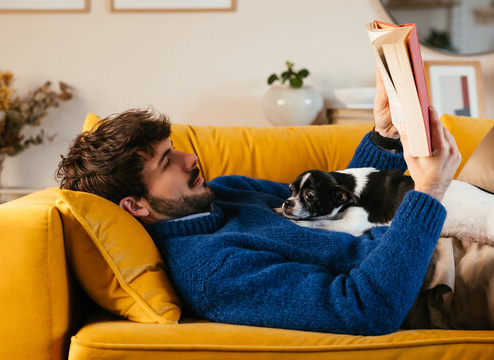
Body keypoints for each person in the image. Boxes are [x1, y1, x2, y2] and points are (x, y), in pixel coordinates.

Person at [56, 70, 464, 336]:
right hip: (441, 279)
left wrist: (383, 137)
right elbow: (364, 307)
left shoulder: (227, 192)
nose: (190, 159)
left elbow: (326, 204)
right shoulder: (212, 270)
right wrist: (427, 193)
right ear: (136, 206)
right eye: (169, 162)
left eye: (175, 148)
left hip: (430, 240)